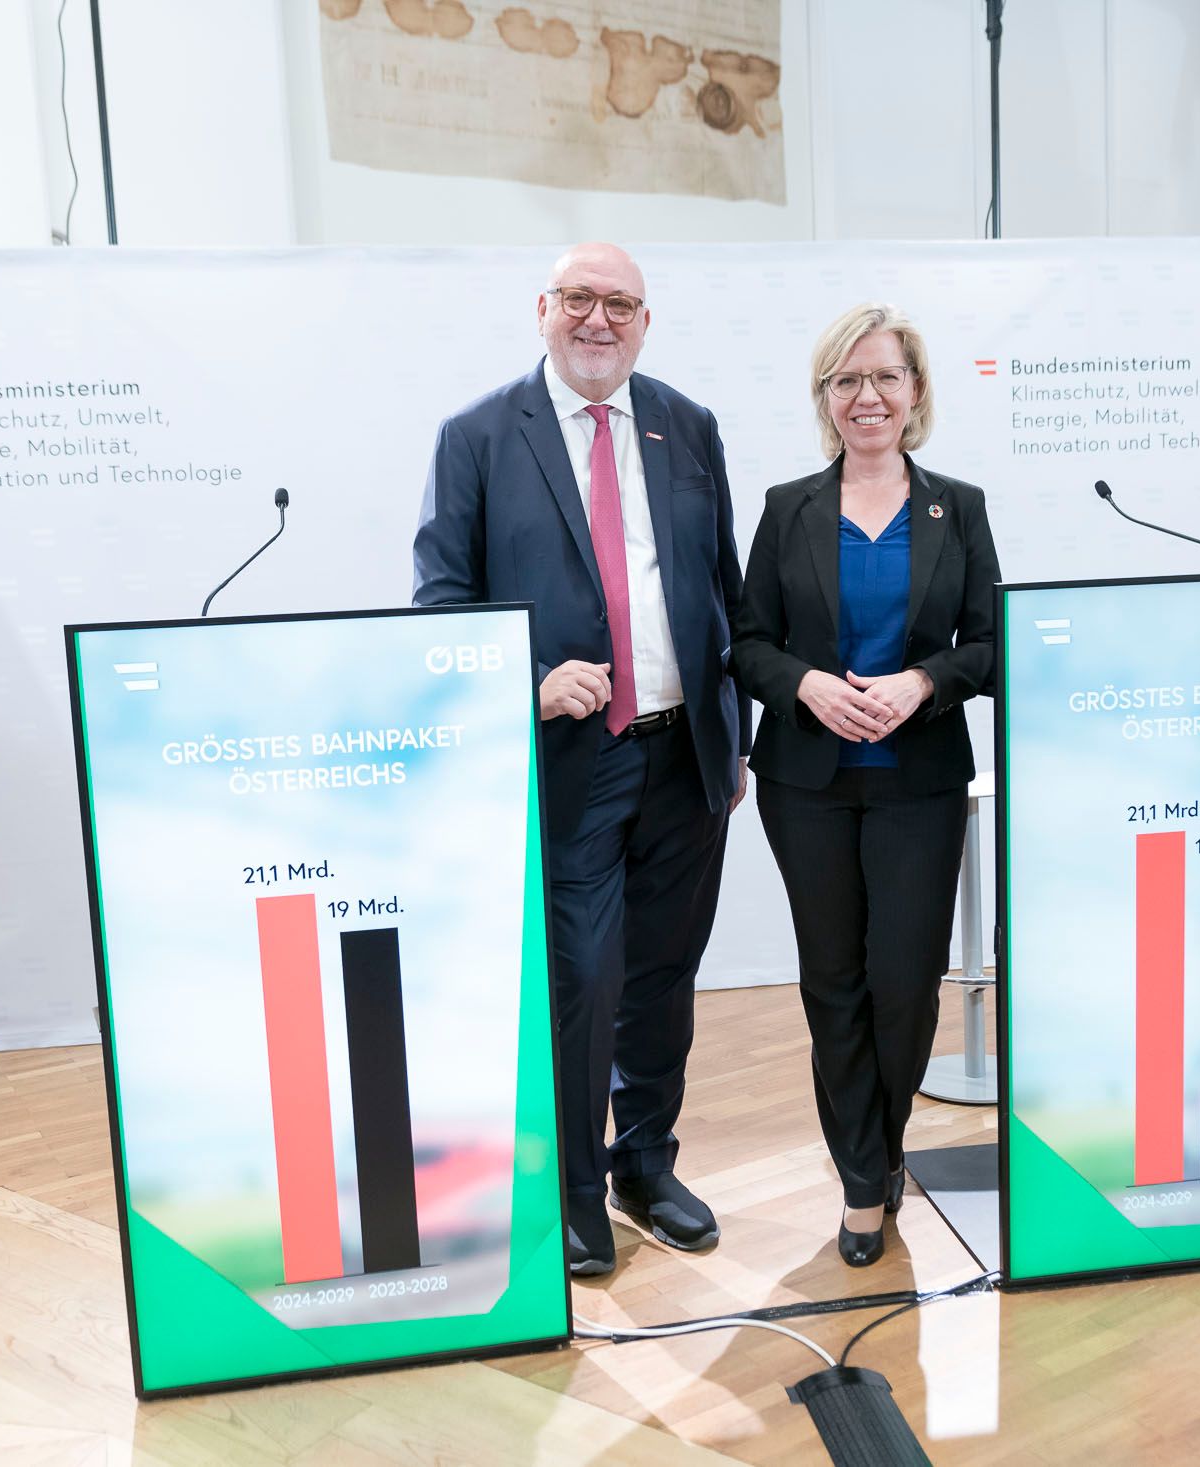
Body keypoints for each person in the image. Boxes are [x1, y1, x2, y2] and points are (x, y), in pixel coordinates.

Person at [412, 242, 750, 1277]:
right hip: (572, 763)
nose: (598, 319)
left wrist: (733, 735)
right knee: (583, 980)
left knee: (664, 975)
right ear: (543, 309)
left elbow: (723, 589)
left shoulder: (687, 425)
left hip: (684, 754)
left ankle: (646, 1164)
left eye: (620, 304)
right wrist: (529, 679)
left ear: (645, 322)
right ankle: (572, 1192)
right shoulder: (477, 435)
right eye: (579, 299)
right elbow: (439, 607)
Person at [731, 303, 1000, 1267]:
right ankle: (862, 1179)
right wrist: (804, 684)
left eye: (885, 377)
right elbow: (747, 642)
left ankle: (881, 1149)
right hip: (807, 783)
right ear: (826, 398)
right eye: (846, 380)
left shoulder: (957, 506)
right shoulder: (788, 507)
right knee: (833, 981)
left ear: (915, 391)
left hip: (919, 783)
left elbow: (990, 643)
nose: (867, 396)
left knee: (905, 985)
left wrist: (922, 681)